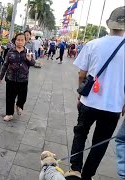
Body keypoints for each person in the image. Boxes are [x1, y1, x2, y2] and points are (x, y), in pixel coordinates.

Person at [68, 6, 125, 180]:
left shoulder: (93, 44)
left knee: (80, 133)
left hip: (89, 101)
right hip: (113, 107)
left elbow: (82, 74)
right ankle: (87, 176)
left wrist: (81, 93)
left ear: (109, 25)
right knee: (100, 143)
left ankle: (75, 170)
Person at [0, 33, 35, 122]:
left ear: (25, 41)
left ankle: (19, 105)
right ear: (15, 41)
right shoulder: (10, 52)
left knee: (23, 97)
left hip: (23, 79)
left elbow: (33, 63)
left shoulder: (28, 52)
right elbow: (5, 65)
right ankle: (9, 114)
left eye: (22, 40)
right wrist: (0, 77)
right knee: (10, 97)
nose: (20, 42)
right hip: (11, 78)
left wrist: (29, 59)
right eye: (18, 40)